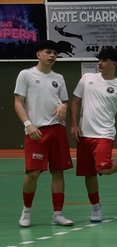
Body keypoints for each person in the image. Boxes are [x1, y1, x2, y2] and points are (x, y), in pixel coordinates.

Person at [70, 48, 117, 224]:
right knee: (89, 175)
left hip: (104, 135)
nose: (100, 63)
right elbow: (76, 102)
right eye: (99, 60)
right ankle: (96, 207)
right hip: (84, 135)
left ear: (114, 64)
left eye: (104, 60)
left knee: (103, 168)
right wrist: (73, 125)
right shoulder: (87, 79)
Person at [14, 40, 73, 227]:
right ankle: (26, 211)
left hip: (57, 129)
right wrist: (28, 124)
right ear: (38, 54)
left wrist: (64, 106)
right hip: (36, 130)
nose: (52, 55)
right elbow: (18, 102)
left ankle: (58, 214)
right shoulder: (26, 75)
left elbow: (64, 101)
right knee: (33, 173)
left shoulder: (59, 78)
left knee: (58, 172)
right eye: (48, 52)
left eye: (55, 53)